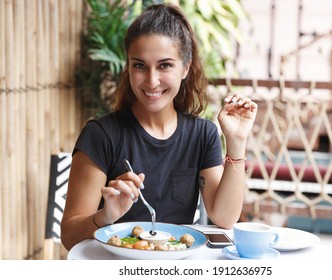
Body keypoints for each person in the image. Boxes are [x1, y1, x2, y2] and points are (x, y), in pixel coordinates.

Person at [61, 3, 258, 251]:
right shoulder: (102, 135)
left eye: (165, 65)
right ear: (128, 67)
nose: (152, 81)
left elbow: (224, 218)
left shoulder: (202, 134)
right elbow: (69, 236)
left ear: (185, 67)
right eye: (139, 65)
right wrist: (104, 217)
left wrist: (237, 141)